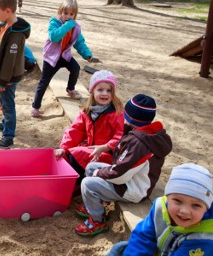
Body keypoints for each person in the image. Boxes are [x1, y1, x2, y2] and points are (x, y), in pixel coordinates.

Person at [75, 163, 213, 256]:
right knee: (124, 249)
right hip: (165, 251)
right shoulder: (161, 207)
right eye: (178, 201)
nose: (185, 211)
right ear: (168, 197)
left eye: (196, 205)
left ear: (206, 207)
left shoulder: (206, 239)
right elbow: (144, 236)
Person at [74, 94, 173, 236]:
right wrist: (105, 148)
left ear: (129, 116)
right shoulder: (144, 133)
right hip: (131, 178)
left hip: (134, 189)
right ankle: (98, 204)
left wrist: (99, 174)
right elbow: (125, 158)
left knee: (88, 183)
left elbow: (119, 174)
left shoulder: (139, 144)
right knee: (91, 167)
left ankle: (97, 220)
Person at [55, 70, 124, 187]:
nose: (105, 94)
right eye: (100, 90)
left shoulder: (116, 113)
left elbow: (119, 135)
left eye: (109, 90)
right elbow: (76, 130)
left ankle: (79, 184)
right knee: (67, 154)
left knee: (77, 154)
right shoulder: (87, 111)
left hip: (107, 153)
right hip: (91, 149)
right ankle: (73, 183)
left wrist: (106, 147)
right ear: (92, 91)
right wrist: (64, 147)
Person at [31, 0, 92, 118]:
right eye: (65, 13)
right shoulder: (54, 22)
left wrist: (87, 54)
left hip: (64, 55)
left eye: (71, 14)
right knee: (44, 82)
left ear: (75, 15)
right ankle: (35, 107)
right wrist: (67, 26)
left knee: (75, 68)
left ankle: (70, 89)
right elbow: (54, 37)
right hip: (52, 57)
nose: (68, 16)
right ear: (60, 12)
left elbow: (79, 43)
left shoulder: (76, 27)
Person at [0, 0, 31, 149]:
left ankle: (8, 136)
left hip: (9, 76)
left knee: (8, 104)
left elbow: (10, 60)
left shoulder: (16, 34)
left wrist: (3, 80)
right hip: (4, 74)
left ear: (8, 11)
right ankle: (6, 123)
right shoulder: (5, 26)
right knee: (4, 101)